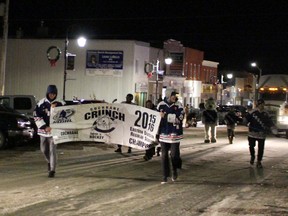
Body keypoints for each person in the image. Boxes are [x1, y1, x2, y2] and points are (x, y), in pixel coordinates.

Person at [34, 85, 65, 178]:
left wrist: (55, 109)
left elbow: (66, 115)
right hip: (43, 131)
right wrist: (44, 126)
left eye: (54, 94)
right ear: (47, 93)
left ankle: (52, 170)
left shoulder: (61, 103)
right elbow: (36, 116)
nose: (52, 95)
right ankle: (49, 161)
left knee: (52, 149)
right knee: (43, 149)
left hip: (55, 131)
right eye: (51, 93)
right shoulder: (41, 103)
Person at [157, 91, 184, 184]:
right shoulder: (160, 105)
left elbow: (179, 118)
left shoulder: (179, 105)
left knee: (174, 155)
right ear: (168, 95)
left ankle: (174, 171)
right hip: (163, 133)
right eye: (172, 95)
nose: (174, 97)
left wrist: (166, 116)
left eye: (175, 95)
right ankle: (165, 176)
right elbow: (156, 118)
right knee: (163, 155)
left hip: (175, 133)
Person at [244, 98, 276, 168]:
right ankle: (252, 156)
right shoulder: (252, 112)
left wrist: (272, 128)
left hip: (262, 133)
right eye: (260, 104)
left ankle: (259, 161)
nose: (261, 106)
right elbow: (246, 119)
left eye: (262, 104)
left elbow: (269, 122)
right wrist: (245, 122)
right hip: (252, 133)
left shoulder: (266, 113)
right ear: (258, 105)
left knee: (261, 148)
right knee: (251, 146)